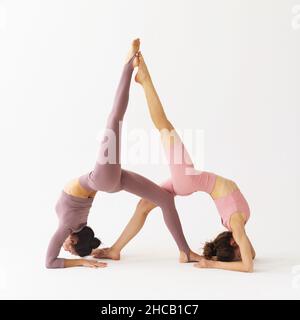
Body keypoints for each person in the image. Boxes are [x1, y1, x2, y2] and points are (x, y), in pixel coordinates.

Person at [93, 50, 256, 272]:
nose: (246, 250)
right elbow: (251, 256)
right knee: (143, 206)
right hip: (189, 182)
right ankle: (116, 249)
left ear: (232, 242)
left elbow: (248, 266)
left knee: (163, 125)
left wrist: (211, 263)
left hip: (188, 180)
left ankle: (144, 79)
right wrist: (229, 255)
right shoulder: (238, 225)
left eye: (239, 249)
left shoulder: (237, 224)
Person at [46, 39, 201, 269]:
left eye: (68, 248)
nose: (65, 246)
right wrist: (81, 263)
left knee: (165, 199)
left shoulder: (72, 224)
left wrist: (80, 256)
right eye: (70, 246)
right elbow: (50, 262)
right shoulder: (68, 225)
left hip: (107, 180)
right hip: (102, 179)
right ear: (75, 238)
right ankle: (128, 65)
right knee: (114, 119)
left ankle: (184, 252)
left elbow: (57, 253)